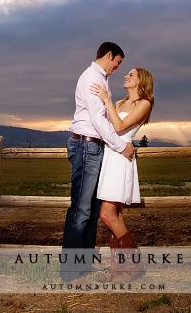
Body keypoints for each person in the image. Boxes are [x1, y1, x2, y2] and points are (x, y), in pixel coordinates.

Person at [60, 42, 135, 282]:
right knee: (80, 210)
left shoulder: (101, 80)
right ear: (109, 55)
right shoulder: (92, 77)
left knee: (91, 212)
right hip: (86, 145)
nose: (117, 67)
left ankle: (82, 268)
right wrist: (122, 146)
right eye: (118, 62)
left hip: (94, 147)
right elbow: (98, 120)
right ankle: (71, 273)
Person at [90, 66, 154, 283]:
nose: (126, 76)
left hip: (121, 160)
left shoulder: (144, 104)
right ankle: (119, 270)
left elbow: (118, 127)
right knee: (116, 217)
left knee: (106, 215)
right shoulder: (119, 103)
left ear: (141, 80)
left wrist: (106, 99)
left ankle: (135, 266)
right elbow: (106, 130)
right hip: (110, 156)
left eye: (131, 75)